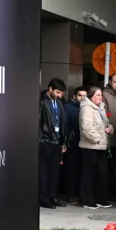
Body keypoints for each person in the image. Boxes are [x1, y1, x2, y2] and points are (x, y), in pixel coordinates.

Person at [78, 86, 113, 209]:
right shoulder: (87, 108)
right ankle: (87, 200)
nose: (100, 97)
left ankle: (100, 199)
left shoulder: (101, 107)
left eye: (101, 95)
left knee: (102, 174)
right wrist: (97, 139)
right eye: (97, 95)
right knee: (89, 174)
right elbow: (86, 128)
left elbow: (106, 123)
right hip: (90, 146)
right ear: (91, 96)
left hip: (101, 147)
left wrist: (110, 129)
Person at [39, 78, 67, 209]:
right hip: (45, 141)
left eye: (61, 93)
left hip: (57, 140)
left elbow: (61, 122)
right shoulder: (41, 102)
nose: (60, 95)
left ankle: (52, 196)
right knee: (44, 172)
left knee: (55, 171)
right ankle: (44, 198)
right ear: (50, 89)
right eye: (57, 92)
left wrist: (63, 141)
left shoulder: (59, 103)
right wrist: (41, 140)